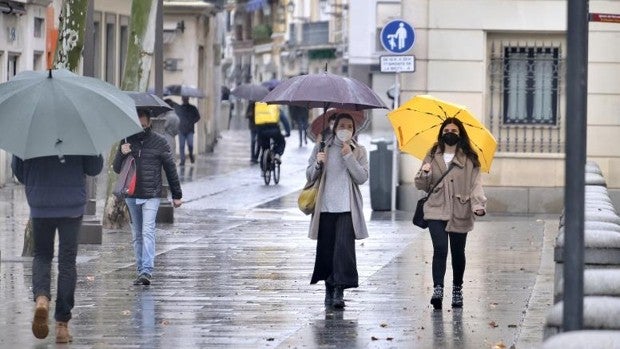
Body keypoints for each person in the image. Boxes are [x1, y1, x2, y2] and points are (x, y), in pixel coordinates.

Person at [12, 153, 104, 343]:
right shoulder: (80, 129)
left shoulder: (30, 128)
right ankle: (62, 325)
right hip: (71, 204)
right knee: (67, 262)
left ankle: (42, 298)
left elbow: (19, 172)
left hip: (41, 201)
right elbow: (94, 167)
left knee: (42, 255)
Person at [414, 117, 487, 310]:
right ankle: (438, 289)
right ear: (441, 132)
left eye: (454, 131)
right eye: (447, 130)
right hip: (436, 208)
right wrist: (425, 172)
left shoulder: (470, 158)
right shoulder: (431, 154)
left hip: (460, 209)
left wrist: (478, 205)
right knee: (440, 249)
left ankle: (457, 290)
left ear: (460, 134)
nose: (450, 133)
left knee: (457, 252)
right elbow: (420, 184)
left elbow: (476, 184)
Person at [113, 109, 183, 286]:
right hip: (132, 194)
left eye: (143, 125)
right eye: (137, 125)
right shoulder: (127, 140)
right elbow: (116, 168)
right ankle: (140, 270)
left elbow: (170, 169)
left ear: (149, 123)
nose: (141, 128)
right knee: (137, 234)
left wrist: (177, 195)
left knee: (147, 231)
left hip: (152, 194)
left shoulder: (160, 142)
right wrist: (122, 152)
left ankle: (146, 271)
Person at [306, 113, 369, 309]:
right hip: (325, 206)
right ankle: (328, 287)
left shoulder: (359, 151)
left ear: (354, 130)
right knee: (326, 249)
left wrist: (348, 156)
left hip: (347, 208)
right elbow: (309, 175)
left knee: (343, 250)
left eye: (349, 126)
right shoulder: (322, 146)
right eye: (342, 125)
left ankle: (339, 290)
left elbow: (362, 177)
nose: (345, 129)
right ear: (334, 127)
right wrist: (318, 163)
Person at [174, 96, 201, 166]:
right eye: (184, 98)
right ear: (182, 99)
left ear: (188, 99)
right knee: (182, 146)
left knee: (190, 144)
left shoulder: (193, 108)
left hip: (190, 130)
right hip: (181, 130)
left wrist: (192, 121)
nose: (185, 100)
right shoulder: (179, 108)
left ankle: (191, 155)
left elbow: (198, 117)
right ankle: (182, 160)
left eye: (186, 98)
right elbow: (176, 117)